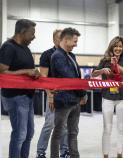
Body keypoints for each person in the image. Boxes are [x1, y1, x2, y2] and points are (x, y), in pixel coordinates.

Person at [0, 19, 40, 158]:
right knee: (19, 135)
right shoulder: (8, 47)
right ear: (22, 33)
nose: (34, 36)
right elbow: (2, 73)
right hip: (15, 97)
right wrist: (27, 72)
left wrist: (34, 73)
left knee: (28, 134)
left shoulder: (25, 48)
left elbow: (26, 69)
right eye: (32, 33)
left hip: (27, 96)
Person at [50, 27, 88, 158]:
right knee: (58, 134)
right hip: (63, 101)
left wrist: (79, 95)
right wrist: (83, 93)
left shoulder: (71, 55)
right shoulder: (57, 56)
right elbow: (70, 78)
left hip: (74, 101)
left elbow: (77, 76)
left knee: (73, 134)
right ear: (65, 39)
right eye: (75, 41)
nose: (76, 45)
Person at [91, 36, 123, 158]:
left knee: (121, 128)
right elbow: (93, 74)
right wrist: (102, 70)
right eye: (116, 46)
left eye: (120, 46)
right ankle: (105, 155)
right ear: (111, 47)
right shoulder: (104, 60)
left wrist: (116, 64)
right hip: (107, 97)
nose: (118, 48)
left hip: (122, 98)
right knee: (107, 128)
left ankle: (119, 155)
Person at [36, 29, 70, 158]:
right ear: (54, 40)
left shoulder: (68, 55)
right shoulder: (46, 55)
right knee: (49, 125)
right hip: (53, 95)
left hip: (66, 95)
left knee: (65, 126)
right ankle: (40, 153)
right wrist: (50, 96)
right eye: (61, 38)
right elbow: (43, 78)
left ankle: (64, 151)